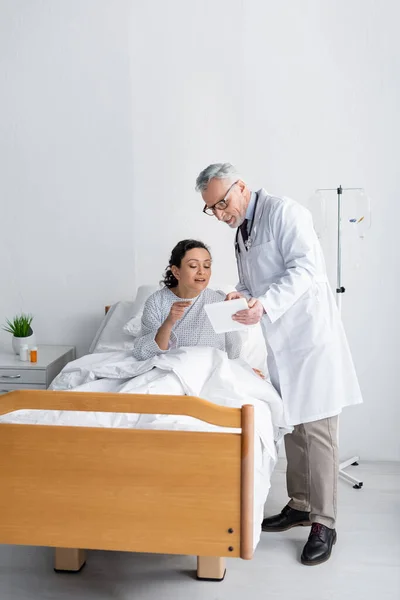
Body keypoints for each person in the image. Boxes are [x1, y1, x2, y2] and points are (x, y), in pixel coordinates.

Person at [195, 163, 363, 566]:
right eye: (211, 209)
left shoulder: (285, 212)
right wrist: (240, 295)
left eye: (223, 203)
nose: (220, 213)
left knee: (318, 428)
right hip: (282, 342)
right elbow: (254, 282)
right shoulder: (243, 232)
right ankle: (300, 505)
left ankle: (324, 522)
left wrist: (264, 304)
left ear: (242, 187)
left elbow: (305, 268)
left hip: (310, 337)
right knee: (292, 425)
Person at [132, 239, 242, 361]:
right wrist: (169, 322)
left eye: (207, 266)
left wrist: (241, 369)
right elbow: (145, 353)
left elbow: (234, 346)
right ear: (176, 272)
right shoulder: (157, 302)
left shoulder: (219, 301)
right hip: (172, 369)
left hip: (213, 369)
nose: (202, 272)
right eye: (193, 266)